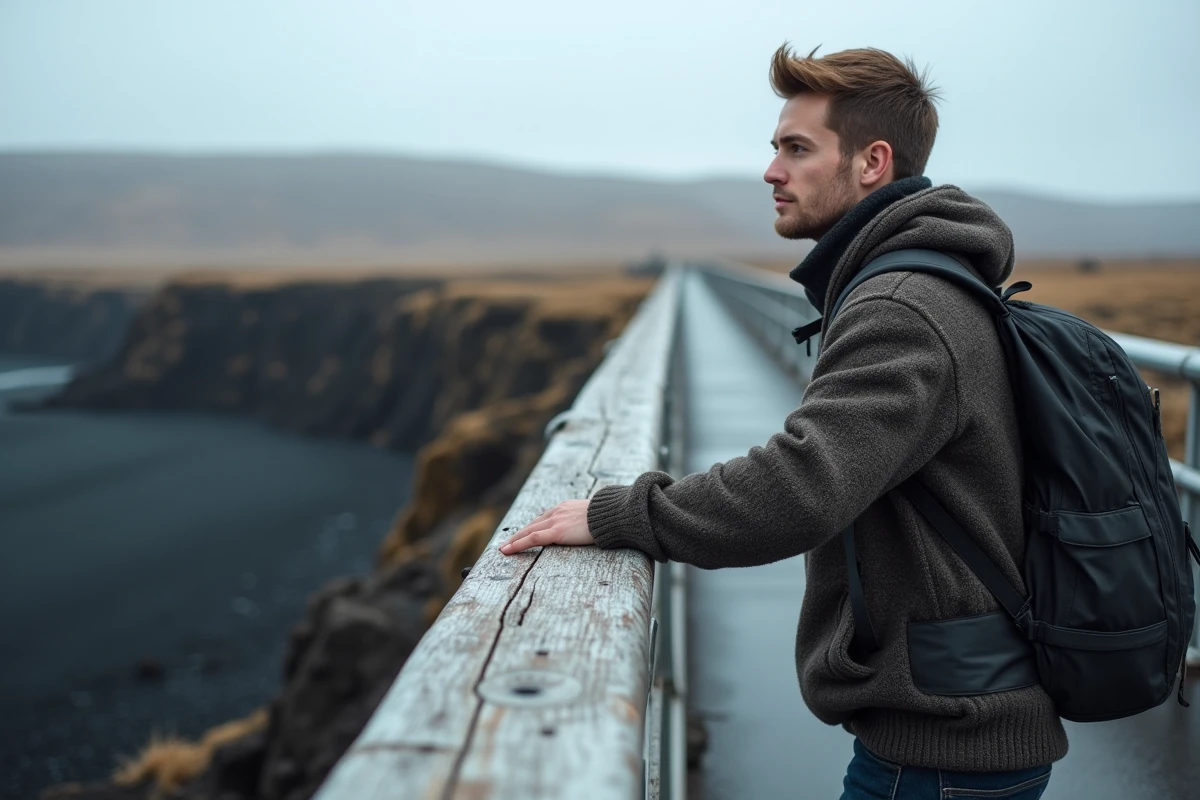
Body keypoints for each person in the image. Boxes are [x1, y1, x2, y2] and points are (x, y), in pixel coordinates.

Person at [500, 44, 1067, 800]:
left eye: (797, 149)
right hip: (956, 720)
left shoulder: (900, 305)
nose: (771, 171)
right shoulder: (917, 281)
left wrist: (622, 514)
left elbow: (802, 486)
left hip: (944, 745)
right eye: (775, 148)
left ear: (872, 162)